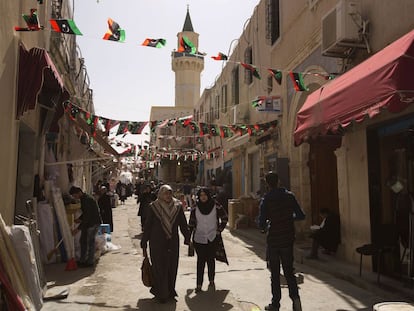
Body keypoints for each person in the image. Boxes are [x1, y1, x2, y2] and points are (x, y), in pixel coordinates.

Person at [258, 172, 305, 311]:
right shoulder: (290, 197)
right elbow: (301, 215)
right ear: (278, 181)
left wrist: (266, 225)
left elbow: (261, 222)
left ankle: (275, 304)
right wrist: (289, 218)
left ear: (267, 183)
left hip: (274, 240)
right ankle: (296, 301)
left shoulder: (266, 199)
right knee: (289, 272)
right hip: (288, 238)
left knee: (275, 273)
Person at [140, 184, 190, 303]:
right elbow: (148, 226)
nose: (168, 196)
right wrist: (144, 241)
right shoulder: (154, 207)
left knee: (172, 267)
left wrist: (187, 237)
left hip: (172, 242)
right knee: (159, 267)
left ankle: (170, 291)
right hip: (157, 242)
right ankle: (161, 293)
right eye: (165, 193)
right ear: (160, 194)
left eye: (169, 193)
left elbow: (182, 224)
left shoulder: (177, 206)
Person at [188, 187, 228, 293]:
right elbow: (191, 223)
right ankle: (199, 284)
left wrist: (219, 230)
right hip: (199, 238)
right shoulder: (195, 207)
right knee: (200, 261)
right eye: (201, 195)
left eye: (205, 195)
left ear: (208, 195)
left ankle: (211, 280)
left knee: (211, 260)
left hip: (212, 237)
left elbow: (224, 218)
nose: (203, 197)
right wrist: (188, 237)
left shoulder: (216, 205)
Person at [69, 186, 102, 267]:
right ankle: (83, 260)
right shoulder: (85, 199)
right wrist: (79, 219)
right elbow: (86, 214)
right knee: (83, 241)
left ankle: (89, 261)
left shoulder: (86, 200)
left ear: (78, 193)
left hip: (92, 223)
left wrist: (78, 229)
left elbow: (87, 216)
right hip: (91, 223)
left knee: (90, 242)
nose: (74, 197)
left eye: (74, 195)